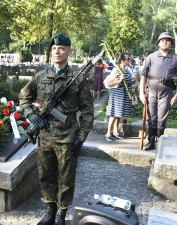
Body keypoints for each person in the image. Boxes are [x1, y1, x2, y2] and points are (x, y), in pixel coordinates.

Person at [19, 33, 94, 225]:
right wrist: (31, 114)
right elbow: (24, 97)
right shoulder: (41, 76)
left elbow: (87, 110)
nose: (57, 51)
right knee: (46, 176)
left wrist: (81, 137)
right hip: (44, 136)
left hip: (67, 138)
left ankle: (61, 214)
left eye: (61, 48)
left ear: (69, 51)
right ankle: (50, 212)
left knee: (67, 179)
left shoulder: (77, 79)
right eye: (54, 48)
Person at [139, 32, 177, 150]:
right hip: (151, 91)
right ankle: (151, 142)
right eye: (163, 40)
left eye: (168, 40)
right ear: (159, 43)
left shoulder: (175, 58)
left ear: (170, 43)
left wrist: (176, 96)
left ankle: (159, 142)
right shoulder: (151, 57)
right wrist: (141, 92)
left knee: (161, 118)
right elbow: (143, 75)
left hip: (167, 92)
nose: (165, 42)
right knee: (152, 118)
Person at [105, 53, 133, 142]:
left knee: (119, 114)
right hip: (117, 95)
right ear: (123, 60)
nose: (129, 59)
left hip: (124, 95)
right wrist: (119, 80)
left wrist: (133, 80)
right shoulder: (116, 69)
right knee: (114, 114)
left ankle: (116, 132)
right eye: (128, 58)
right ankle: (108, 132)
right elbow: (109, 83)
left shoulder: (127, 69)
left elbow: (128, 82)